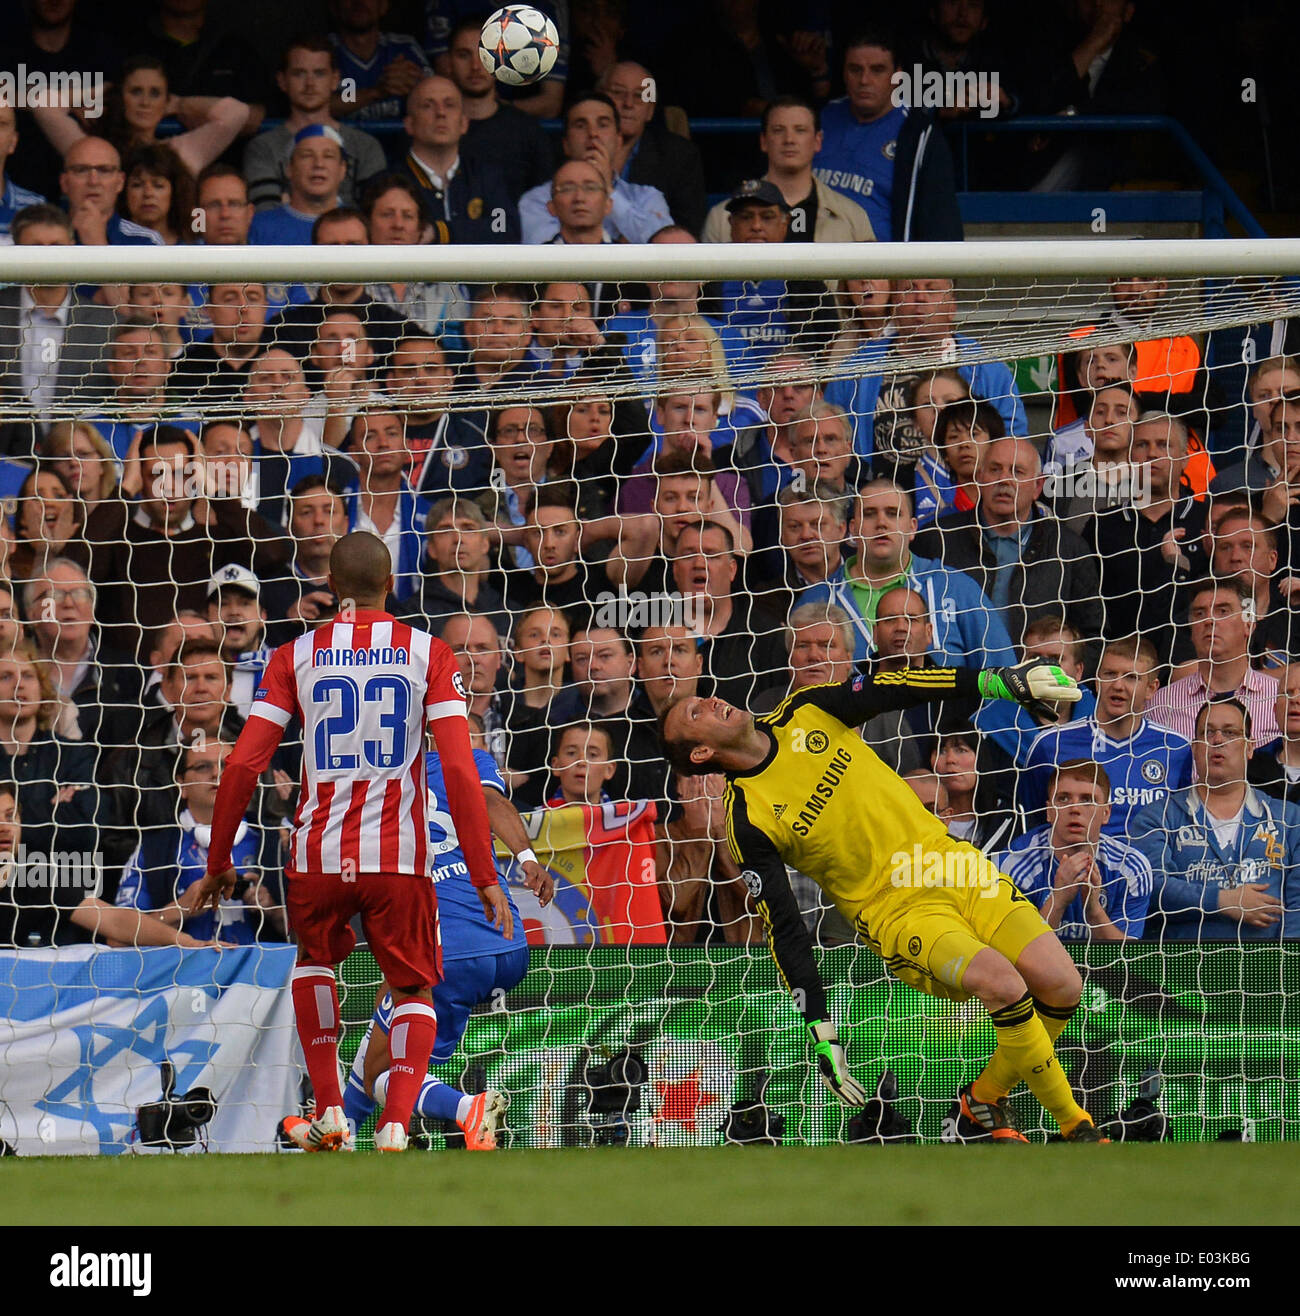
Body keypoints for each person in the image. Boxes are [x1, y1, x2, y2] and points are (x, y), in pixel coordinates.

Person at [658, 657, 1114, 1142]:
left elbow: (897, 686)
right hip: (896, 912)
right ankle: (1077, 1127)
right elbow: (785, 929)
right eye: (694, 713)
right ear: (702, 752)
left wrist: (995, 681)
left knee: (1064, 985)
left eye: (702, 697)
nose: (710, 700)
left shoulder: (806, 710)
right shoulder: (747, 818)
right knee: (1003, 985)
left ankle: (979, 1102)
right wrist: (820, 1029)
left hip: (953, 866)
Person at [189, 532, 508, 1154]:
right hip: (400, 856)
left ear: (330, 589)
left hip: (319, 854)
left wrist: (220, 859)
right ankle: (393, 1126)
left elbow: (243, 765)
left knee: (315, 966)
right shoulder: (428, 653)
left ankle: (331, 1112)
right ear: (391, 586)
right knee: (413, 988)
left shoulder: (293, 655)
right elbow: (464, 772)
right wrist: (484, 872)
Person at [325, 713, 553, 1151]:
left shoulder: (372, 786)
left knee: (388, 1074)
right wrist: (527, 859)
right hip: (508, 940)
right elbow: (491, 803)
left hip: (440, 951)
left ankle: (466, 1109)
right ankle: (343, 1132)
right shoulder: (472, 761)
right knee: (384, 1016)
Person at [797, 478, 1016, 668]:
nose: (881, 523)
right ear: (853, 529)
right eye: (870, 514)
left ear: (912, 527)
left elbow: (1002, 672)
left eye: (893, 514)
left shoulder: (955, 587)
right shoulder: (817, 600)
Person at [1133, 698, 1300, 942]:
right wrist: (1222, 900)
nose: (1218, 740)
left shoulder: (1289, 818)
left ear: (1250, 747)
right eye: (1207, 733)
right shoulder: (1157, 817)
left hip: (1267, 967)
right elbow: (1151, 888)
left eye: (1230, 732)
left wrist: (1288, 963)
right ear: (1194, 747)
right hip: (1181, 965)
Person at [913, 437, 1103, 649]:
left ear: (1037, 486)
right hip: (955, 678)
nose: (1004, 480)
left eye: (1017, 472)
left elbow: (1092, 635)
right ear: (981, 478)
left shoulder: (1068, 550)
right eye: (995, 470)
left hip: (1038, 679)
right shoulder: (936, 539)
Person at [1022, 636, 1193, 843]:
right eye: (1110, 674)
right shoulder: (1050, 744)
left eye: (1131, 677)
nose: (1118, 685)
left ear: (1151, 688)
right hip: (1074, 868)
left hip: (1152, 870)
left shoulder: (1176, 748)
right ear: (1096, 680)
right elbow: (1034, 822)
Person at [116, 739, 285, 945]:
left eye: (227, 766)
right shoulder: (153, 849)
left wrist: (274, 912)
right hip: (182, 974)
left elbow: (322, 935)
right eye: (203, 767)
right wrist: (179, 909)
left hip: (263, 973)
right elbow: (117, 939)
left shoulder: (276, 841)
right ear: (182, 784)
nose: (217, 774)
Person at [812, 26, 963, 242]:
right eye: (855, 69)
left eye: (877, 70)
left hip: (878, 268)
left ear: (897, 76)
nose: (864, 80)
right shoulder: (820, 119)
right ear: (844, 73)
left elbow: (940, 218)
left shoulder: (919, 134)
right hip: (809, 259)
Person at [997, 760, 1152, 942]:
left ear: (1106, 813)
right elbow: (1015, 950)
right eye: (1063, 798)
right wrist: (1058, 901)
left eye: (1087, 800)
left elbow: (1128, 961)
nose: (1075, 808)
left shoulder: (1131, 868)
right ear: (1049, 811)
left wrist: (1094, 911)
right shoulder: (1013, 865)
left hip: (1105, 970)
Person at [702, 96, 874, 244]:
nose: (789, 139)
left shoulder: (853, 216)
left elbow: (873, 281)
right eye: (778, 130)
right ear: (763, 140)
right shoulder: (720, 219)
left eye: (800, 130)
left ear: (818, 140)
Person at [243, 34, 387, 211]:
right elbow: (266, 213)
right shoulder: (262, 147)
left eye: (319, 74)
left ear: (335, 80)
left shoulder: (365, 146)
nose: (310, 84)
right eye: (299, 74)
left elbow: (375, 215)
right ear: (282, 81)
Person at [0, 205, 115, 412]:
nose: (48, 257)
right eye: (36, 247)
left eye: (56, 246)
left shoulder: (107, 323)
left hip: (76, 442)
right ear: (16, 250)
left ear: (72, 247)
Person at [517, 93, 671, 244]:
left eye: (603, 124)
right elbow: (549, 255)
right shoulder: (537, 200)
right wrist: (626, 241)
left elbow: (665, 250)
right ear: (566, 144)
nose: (593, 134)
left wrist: (608, 190)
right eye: (581, 125)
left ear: (618, 141)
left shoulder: (648, 198)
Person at [1146, 579, 1280, 749]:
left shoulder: (1282, 700)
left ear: (1249, 624)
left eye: (1223, 611)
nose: (1209, 620)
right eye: (1199, 613)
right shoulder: (1160, 705)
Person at [444, 16, 554, 203]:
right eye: (464, 55)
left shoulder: (527, 132)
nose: (476, 66)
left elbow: (544, 204)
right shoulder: (436, 128)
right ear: (449, 63)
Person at [399, 75, 518, 243]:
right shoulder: (390, 182)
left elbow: (507, 230)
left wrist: (439, 232)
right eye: (427, 106)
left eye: (449, 105)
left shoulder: (487, 177)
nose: (440, 113)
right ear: (409, 124)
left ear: (464, 123)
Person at [598, 60, 706, 234]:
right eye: (618, 93)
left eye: (639, 96)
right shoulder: (575, 147)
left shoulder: (679, 156)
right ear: (599, 98)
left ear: (650, 110)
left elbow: (686, 230)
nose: (628, 104)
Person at [329, 0, 432, 124]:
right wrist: (376, 92)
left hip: (401, 142)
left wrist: (415, 86)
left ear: (383, 6)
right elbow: (314, 106)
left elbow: (437, 96)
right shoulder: (323, 52)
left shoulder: (405, 48)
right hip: (339, 142)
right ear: (334, 6)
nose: (359, 2)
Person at [248, 125, 349, 245]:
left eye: (328, 156)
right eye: (307, 155)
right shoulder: (258, 227)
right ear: (289, 168)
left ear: (342, 169)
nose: (319, 164)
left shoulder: (359, 225)